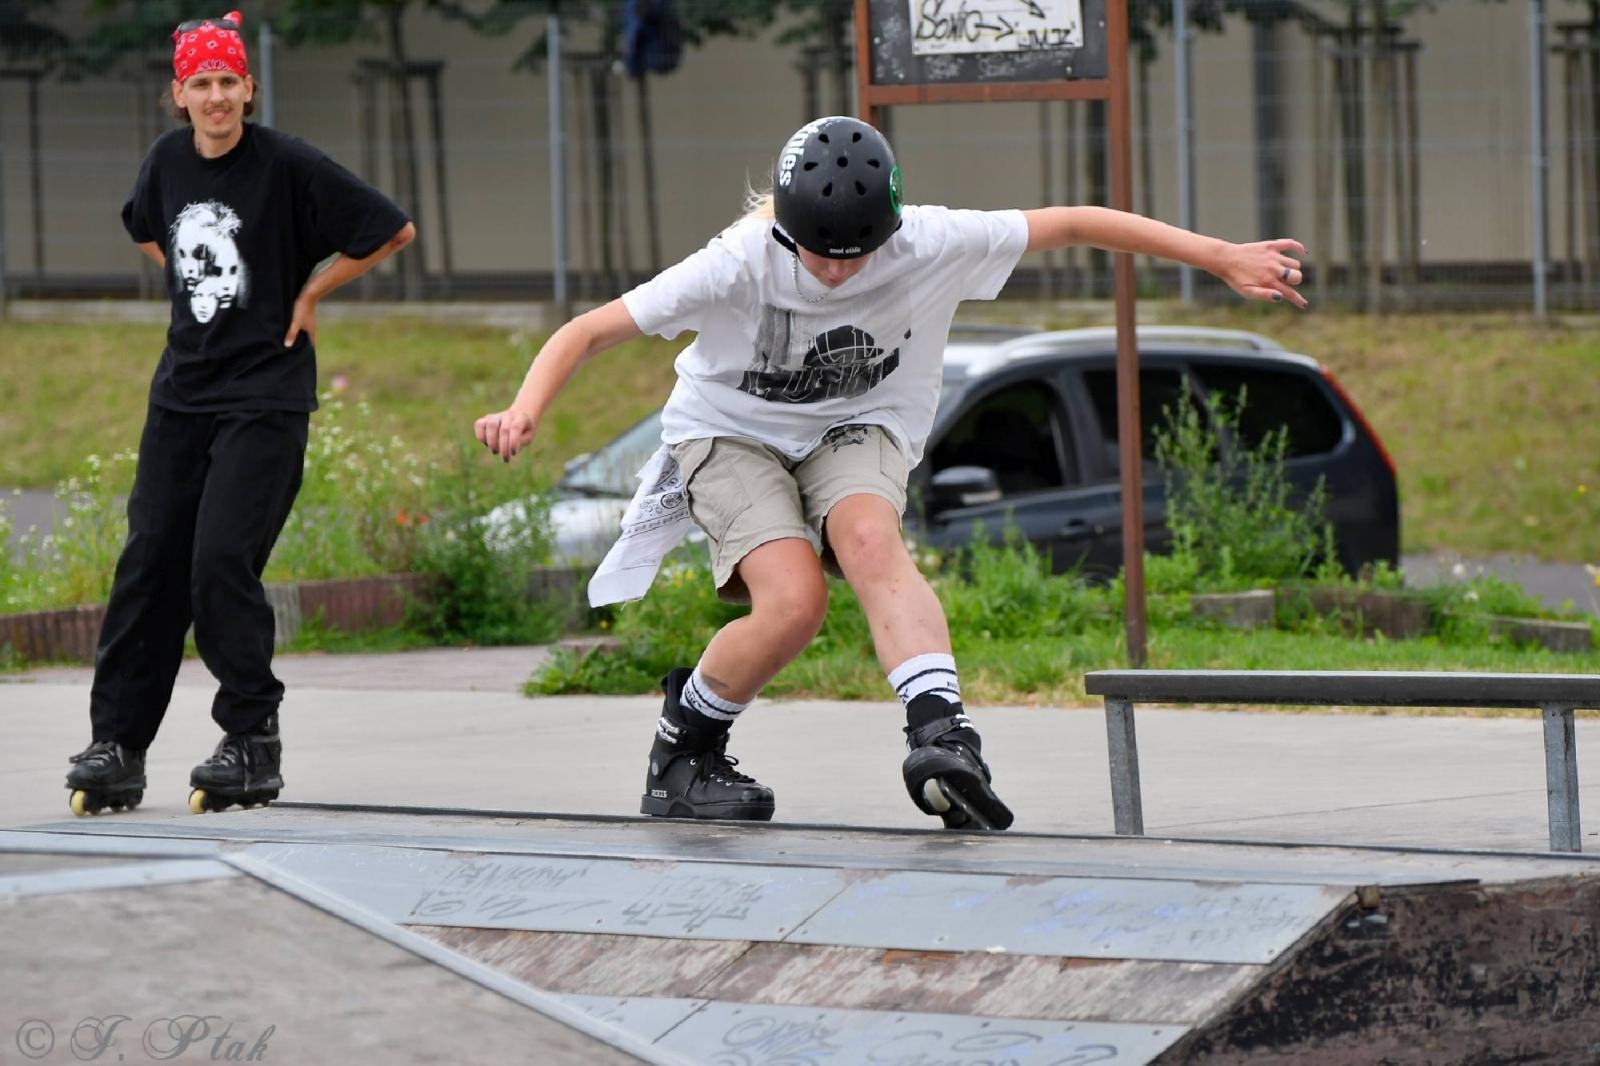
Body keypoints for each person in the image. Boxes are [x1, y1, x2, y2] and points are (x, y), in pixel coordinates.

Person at [475, 115, 1304, 830]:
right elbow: (585, 331)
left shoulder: (934, 239)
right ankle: (683, 750)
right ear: (784, 229)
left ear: (891, 227)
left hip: (856, 425)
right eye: (818, 259)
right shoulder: (735, 261)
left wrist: (1219, 255)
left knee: (871, 541)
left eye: (858, 258)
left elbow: (1077, 221)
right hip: (729, 433)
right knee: (794, 604)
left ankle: (942, 735)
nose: (837, 274)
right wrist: (525, 407)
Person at [64, 10, 416, 816]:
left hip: (266, 395)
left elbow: (390, 229)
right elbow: (149, 233)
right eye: (202, 84)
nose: (216, 97)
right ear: (178, 94)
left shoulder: (286, 164)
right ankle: (117, 747)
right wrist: (199, 294)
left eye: (229, 82)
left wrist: (308, 290)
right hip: (182, 394)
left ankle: (250, 743)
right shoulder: (165, 163)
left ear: (248, 89)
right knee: (149, 560)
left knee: (220, 559)